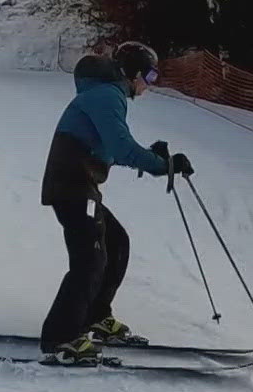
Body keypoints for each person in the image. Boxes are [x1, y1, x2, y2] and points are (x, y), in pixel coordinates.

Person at [38, 41, 192, 363]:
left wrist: (152, 159)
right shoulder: (108, 96)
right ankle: (62, 338)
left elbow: (109, 149)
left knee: (116, 243)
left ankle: (95, 316)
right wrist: (164, 165)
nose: (151, 85)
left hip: (80, 185)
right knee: (89, 260)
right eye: (150, 76)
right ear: (134, 73)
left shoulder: (107, 94)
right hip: (72, 185)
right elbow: (121, 149)